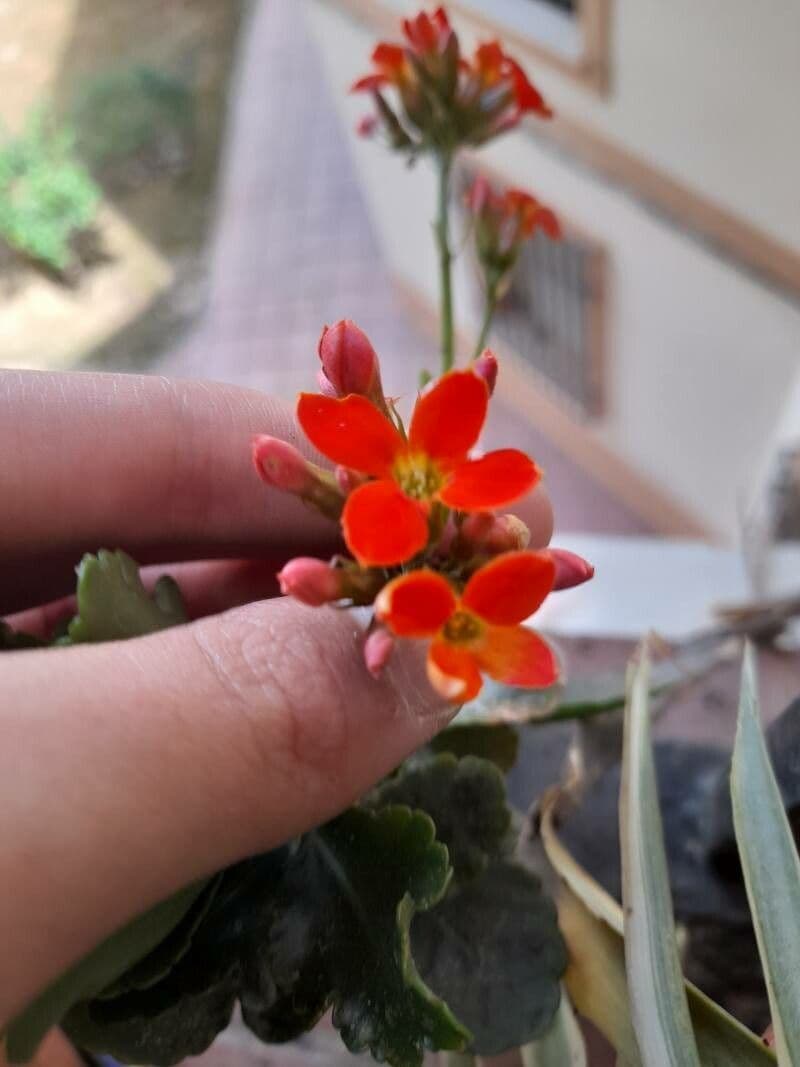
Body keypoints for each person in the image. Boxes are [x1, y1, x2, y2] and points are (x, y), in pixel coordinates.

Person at [0, 370, 552, 1027]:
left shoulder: (440, 552)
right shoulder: (386, 521)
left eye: (424, 480)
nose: (418, 483)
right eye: (413, 478)